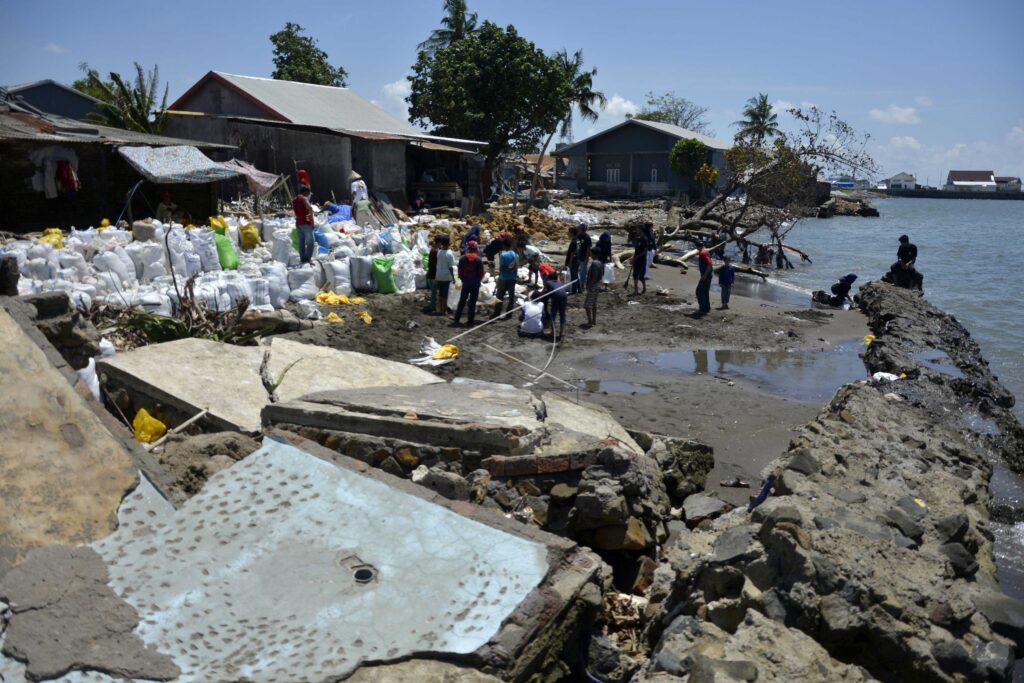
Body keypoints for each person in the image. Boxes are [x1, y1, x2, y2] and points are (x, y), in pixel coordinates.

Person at [453, 241, 485, 327]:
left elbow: (460, 272)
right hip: (475, 283)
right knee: (472, 302)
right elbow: (481, 273)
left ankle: (457, 318)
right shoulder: (478, 260)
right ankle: (470, 321)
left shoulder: (462, 259)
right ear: (475, 249)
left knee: (462, 301)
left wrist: (463, 279)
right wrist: (478, 280)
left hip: (466, 282)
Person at [494, 238, 518, 318]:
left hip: (503, 278)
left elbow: (501, 269)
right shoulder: (516, 255)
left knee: (500, 296)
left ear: (504, 245)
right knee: (511, 297)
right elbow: (516, 267)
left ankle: (497, 313)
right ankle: (509, 314)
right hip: (513, 278)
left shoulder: (503, 255)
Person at [292, 185, 316, 265]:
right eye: (308, 193)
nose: (309, 195)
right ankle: (308, 259)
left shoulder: (295, 199)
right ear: (305, 192)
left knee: (301, 242)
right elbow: (309, 207)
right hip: (306, 222)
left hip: (298, 222)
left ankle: (302, 259)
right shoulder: (304, 198)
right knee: (310, 242)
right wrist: (311, 216)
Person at [543, 269, 568, 340]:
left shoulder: (547, 282)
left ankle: (553, 332)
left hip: (556, 297)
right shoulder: (559, 282)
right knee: (562, 314)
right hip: (564, 296)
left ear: (549, 278)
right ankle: (561, 332)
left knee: (553, 314)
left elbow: (543, 292)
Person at [433, 235, 455, 317]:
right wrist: (453, 277)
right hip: (446, 276)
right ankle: (444, 310)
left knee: (440, 293)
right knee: (445, 294)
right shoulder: (449, 253)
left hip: (439, 275)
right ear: (448, 243)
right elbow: (450, 267)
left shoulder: (439, 252)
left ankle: (440, 308)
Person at [583, 246, 604, 328]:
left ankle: (590, 321)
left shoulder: (595, 263)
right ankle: (594, 320)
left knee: (587, 305)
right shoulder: (600, 263)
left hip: (593, 286)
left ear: (593, 254)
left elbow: (594, 277)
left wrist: (589, 285)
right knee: (594, 303)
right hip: (598, 285)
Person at [573, 224, 593, 294]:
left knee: (583, 271)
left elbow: (588, 249)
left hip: (584, 256)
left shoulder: (587, 238)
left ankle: (582, 285)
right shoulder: (578, 236)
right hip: (578, 256)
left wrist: (587, 258)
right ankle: (577, 284)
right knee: (577, 270)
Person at [423, 237, 439, 313]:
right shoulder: (436, 251)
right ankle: (433, 305)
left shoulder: (432, 250)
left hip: (432, 272)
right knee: (434, 290)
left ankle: (433, 305)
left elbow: (430, 263)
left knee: (434, 290)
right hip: (434, 273)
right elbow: (436, 263)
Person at [695, 246, 713, 315]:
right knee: (705, 292)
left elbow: (709, 264)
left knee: (699, 292)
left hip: (706, 276)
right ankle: (707, 308)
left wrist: (705, 275)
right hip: (707, 275)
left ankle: (702, 309)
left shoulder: (703, 253)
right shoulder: (705, 252)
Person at [631, 227, 648, 295]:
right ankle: (636, 290)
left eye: (639, 230)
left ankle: (642, 289)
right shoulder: (639, 239)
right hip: (637, 259)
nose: (638, 231)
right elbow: (636, 250)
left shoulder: (644, 239)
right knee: (635, 275)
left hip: (641, 259)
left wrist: (637, 257)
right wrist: (633, 257)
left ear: (642, 231)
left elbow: (645, 251)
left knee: (640, 275)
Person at [564, 225, 579, 291]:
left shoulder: (574, 241)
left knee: (573, 276)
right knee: (576, 275)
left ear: (572, 233)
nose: (568, 234)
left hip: (573, 261)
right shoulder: (577, 240)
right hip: (577, 259)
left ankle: (574, 290)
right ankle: (579, 289)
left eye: (569, 232)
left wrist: (570, 262)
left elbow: (572, 253)